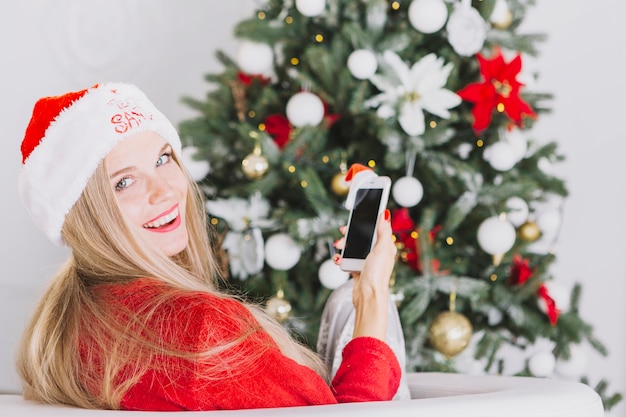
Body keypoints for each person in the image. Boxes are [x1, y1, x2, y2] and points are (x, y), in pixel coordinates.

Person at [16, 82, 403, 411]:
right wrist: (371, 294)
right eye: (123, 182)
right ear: (87, 215)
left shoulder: (60, 331)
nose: (164, 190)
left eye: (163, 158)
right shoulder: (200, 330)